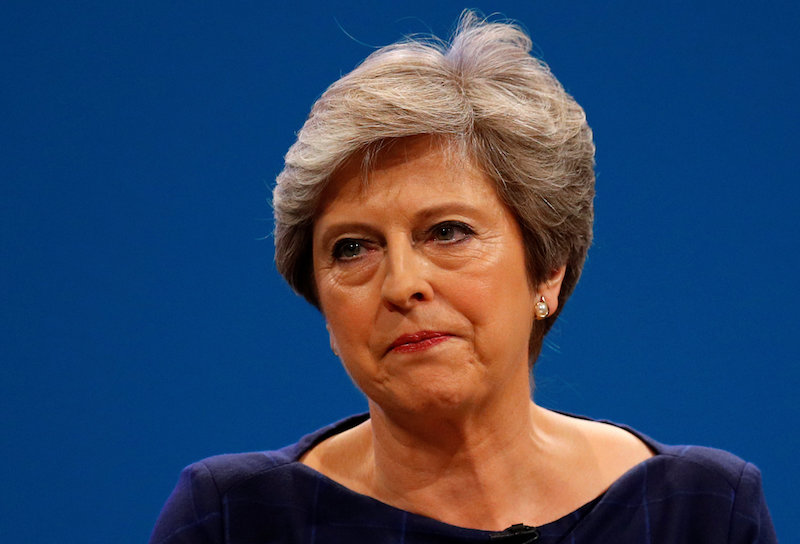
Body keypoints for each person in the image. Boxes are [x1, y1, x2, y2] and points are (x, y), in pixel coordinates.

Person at [149, 12, 776, 543]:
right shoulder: (234, 519)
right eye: (352, 248)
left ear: (547, 271)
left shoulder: (699, 511)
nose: (401, 285)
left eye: (446, 232)